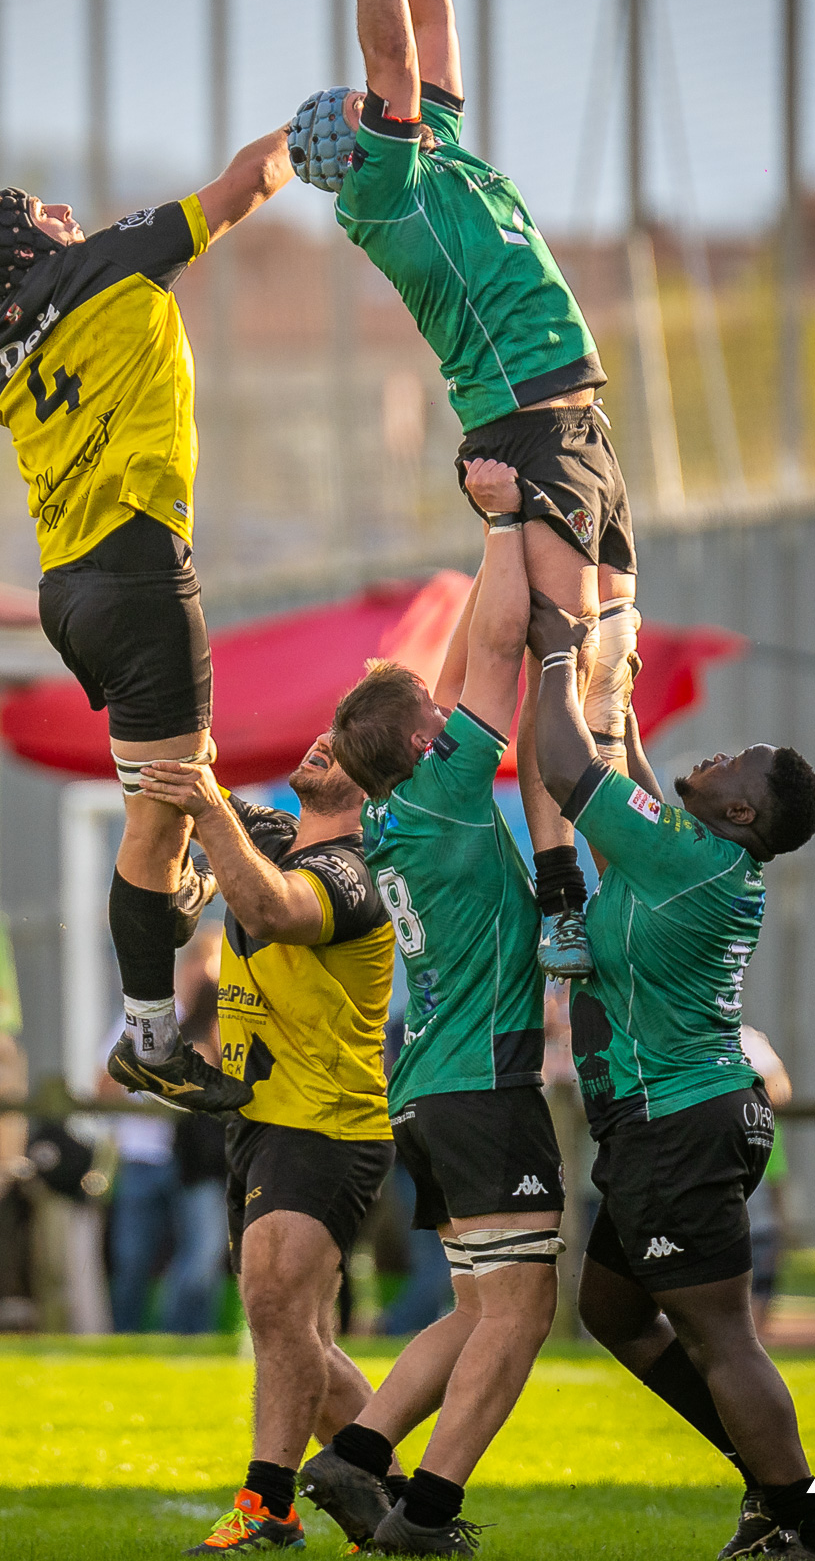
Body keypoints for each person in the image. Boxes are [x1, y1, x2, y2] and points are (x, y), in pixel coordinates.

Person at [291, 0, 640, 982]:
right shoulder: (385, 190)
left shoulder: (426, 144)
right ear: (357, 142)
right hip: (526, 430)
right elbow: (393, 45)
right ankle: (560, 894)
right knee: (551, 661)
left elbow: (431, 34)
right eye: (364, 102)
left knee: (607, 673)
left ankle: (625, 854)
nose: (380, 93)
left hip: (577, 426)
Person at [0, 122, 294, 1117]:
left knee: (183, 788)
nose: (68, 214)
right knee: (162, 809)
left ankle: (183, 887)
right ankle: (148, 1035)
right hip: (137, 572)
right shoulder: (107, 261)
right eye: (47, 213)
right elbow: (246, 185)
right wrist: (319, 126)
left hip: (71, 589)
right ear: (31, 244)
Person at [527, 586, 815, 1561]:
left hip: (682, 1125)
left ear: (743, 810)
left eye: (728, 762)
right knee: (614, 1311)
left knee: (723, 1336)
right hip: (670, 1123)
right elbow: (623, 767)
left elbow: (564, 766)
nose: (707, 758)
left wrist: (553, 658)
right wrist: (616, 683)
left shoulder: (685, 862)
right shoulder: (692, 854)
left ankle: (807, 1533)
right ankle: (772, 1489)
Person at [308, 459, 563, 1560]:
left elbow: (459, 660)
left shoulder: (407, 803)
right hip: (481, 1085)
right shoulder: (448, 787)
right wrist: (508, 515)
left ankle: (354, 1458)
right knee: (521, 1314)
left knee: (471, 1309)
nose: (449, 707)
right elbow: (496, 654)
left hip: (432, 1088)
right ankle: (429, 1514)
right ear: (426, 743)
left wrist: (490, 539)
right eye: (436, 715)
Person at [138, 732, 395, 1554]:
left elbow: (271, 907)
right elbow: (182, 792)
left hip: (326, 1121)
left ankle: (268, 1503)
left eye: (345, 745)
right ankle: (397, 1511)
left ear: (373, 780)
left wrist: (208, 813)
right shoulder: (283, 836)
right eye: (327, 731)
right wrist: (171, 734)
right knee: (296, 1337)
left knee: (278, 1307)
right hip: (263, 1120)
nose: (322, 741)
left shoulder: (356, 870)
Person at [99, 931, 229, 1334]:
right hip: (144, 1156)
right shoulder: (146, 1019)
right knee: (133, 1260)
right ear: (188, 968)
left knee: (201, 1257)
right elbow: (103, 1085)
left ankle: (185, 1338)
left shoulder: (220, 1024)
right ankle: (127, 1341)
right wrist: (154, 1096)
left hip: (197, 1162)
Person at [739, 1026, 792, 1340]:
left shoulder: (747, 1038)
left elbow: (779, 1088)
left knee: (764, 1249)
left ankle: (755, 1341)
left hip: (762, 1159)